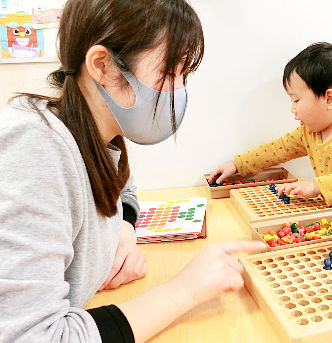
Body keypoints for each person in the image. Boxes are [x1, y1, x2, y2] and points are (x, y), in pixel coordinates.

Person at [0, 0, 265, 342]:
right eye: (170, 74)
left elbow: (124, 189)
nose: (179, 92)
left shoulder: (99, 136)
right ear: (103, 65)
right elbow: (32, 336)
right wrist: (184, 291)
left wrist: (122, 230)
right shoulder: (34, 145)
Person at [208, 42, 332, 240]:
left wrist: (316, 186)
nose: (292, 109)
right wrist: (237, 164)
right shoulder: (309, 132)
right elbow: (277, 149)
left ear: (329, 99)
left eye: (296, 100)